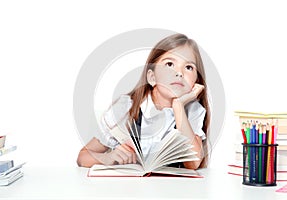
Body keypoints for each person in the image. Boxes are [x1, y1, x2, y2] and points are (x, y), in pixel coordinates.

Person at [77, 33, 211, 169]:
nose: (179, 73)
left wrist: (178, 106)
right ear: (152, 77)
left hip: (170, 189)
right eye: (170, 64)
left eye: (189, 67)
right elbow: (83, 157)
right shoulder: (126, 107)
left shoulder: (193, 111)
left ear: (196, 82)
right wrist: (108, 157)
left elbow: (192, 163)